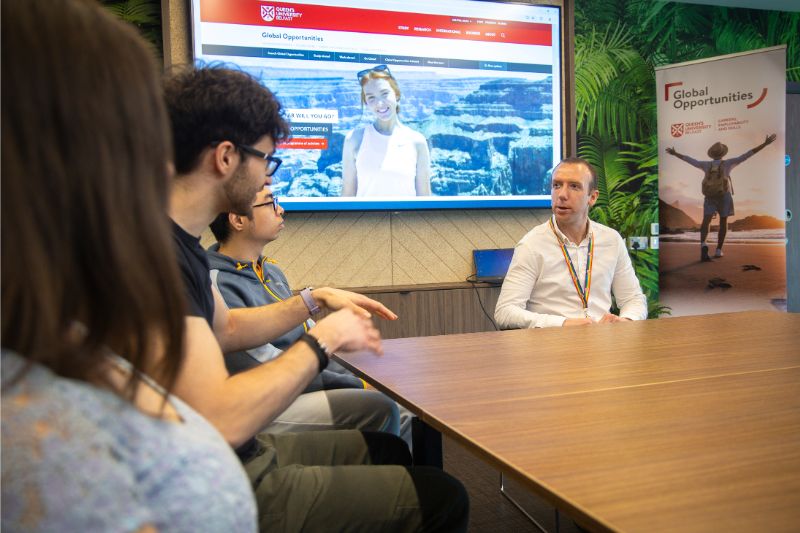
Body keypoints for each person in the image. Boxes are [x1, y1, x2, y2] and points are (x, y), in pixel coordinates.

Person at [165, 65, 468, 532]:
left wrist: (313, 299)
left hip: (237, 454)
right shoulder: (161, 258)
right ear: (226, 157)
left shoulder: (184, 247)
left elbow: (227, 329)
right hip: (222, 482)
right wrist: (321, 340)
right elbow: (222, 417)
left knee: (389, 450)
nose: (268, 174)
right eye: (266, 159)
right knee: (445, 496)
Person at [2, 1, 257, 531]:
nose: (164, 165)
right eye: (139, 136)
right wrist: (318, 342)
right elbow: (220, 409)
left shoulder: (49, 330)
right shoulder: (42, 446)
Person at [207, 187, 411, 441]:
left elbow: (309, 337)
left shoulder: (270, 270)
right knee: (388, 405)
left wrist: (360, 374)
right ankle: (394, 477)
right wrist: (355, 383)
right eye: (271, 203)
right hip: (266, 400)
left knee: (403, 399)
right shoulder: (217, 281)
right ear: (237, 220)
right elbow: (262, 362)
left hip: (302, 384)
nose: (281, 210)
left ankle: (401, 473)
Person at [495, 157, 648, 328]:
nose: (562, 195)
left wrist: (625, 321)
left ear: (593, 197)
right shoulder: (532, 245)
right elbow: (505, 311)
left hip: (602, 344)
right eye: (556, 185)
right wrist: (563, 323)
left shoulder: (611, 240)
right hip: (551, 345)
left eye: (574, 186)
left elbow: (633, 299)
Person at [665, 134, 776, 261]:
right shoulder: (728, 163)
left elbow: (690, 160)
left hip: (709, 196)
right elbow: (747, 155)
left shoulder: (706, 165)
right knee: (723, 222)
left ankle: (703, 245)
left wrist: (675, 153)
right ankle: (718, 250)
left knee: (706, 221)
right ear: (723, 153)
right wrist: (764, 144)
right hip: (724, 196)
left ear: (712, 154)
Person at [342, 65, 432, 197]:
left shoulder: (417, 142)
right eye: (371, 97)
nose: (379, 104)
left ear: (396, 94)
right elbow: (347, 196)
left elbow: (424, 199)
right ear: (366, 102)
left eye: (384, 94)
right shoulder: (354, 139)